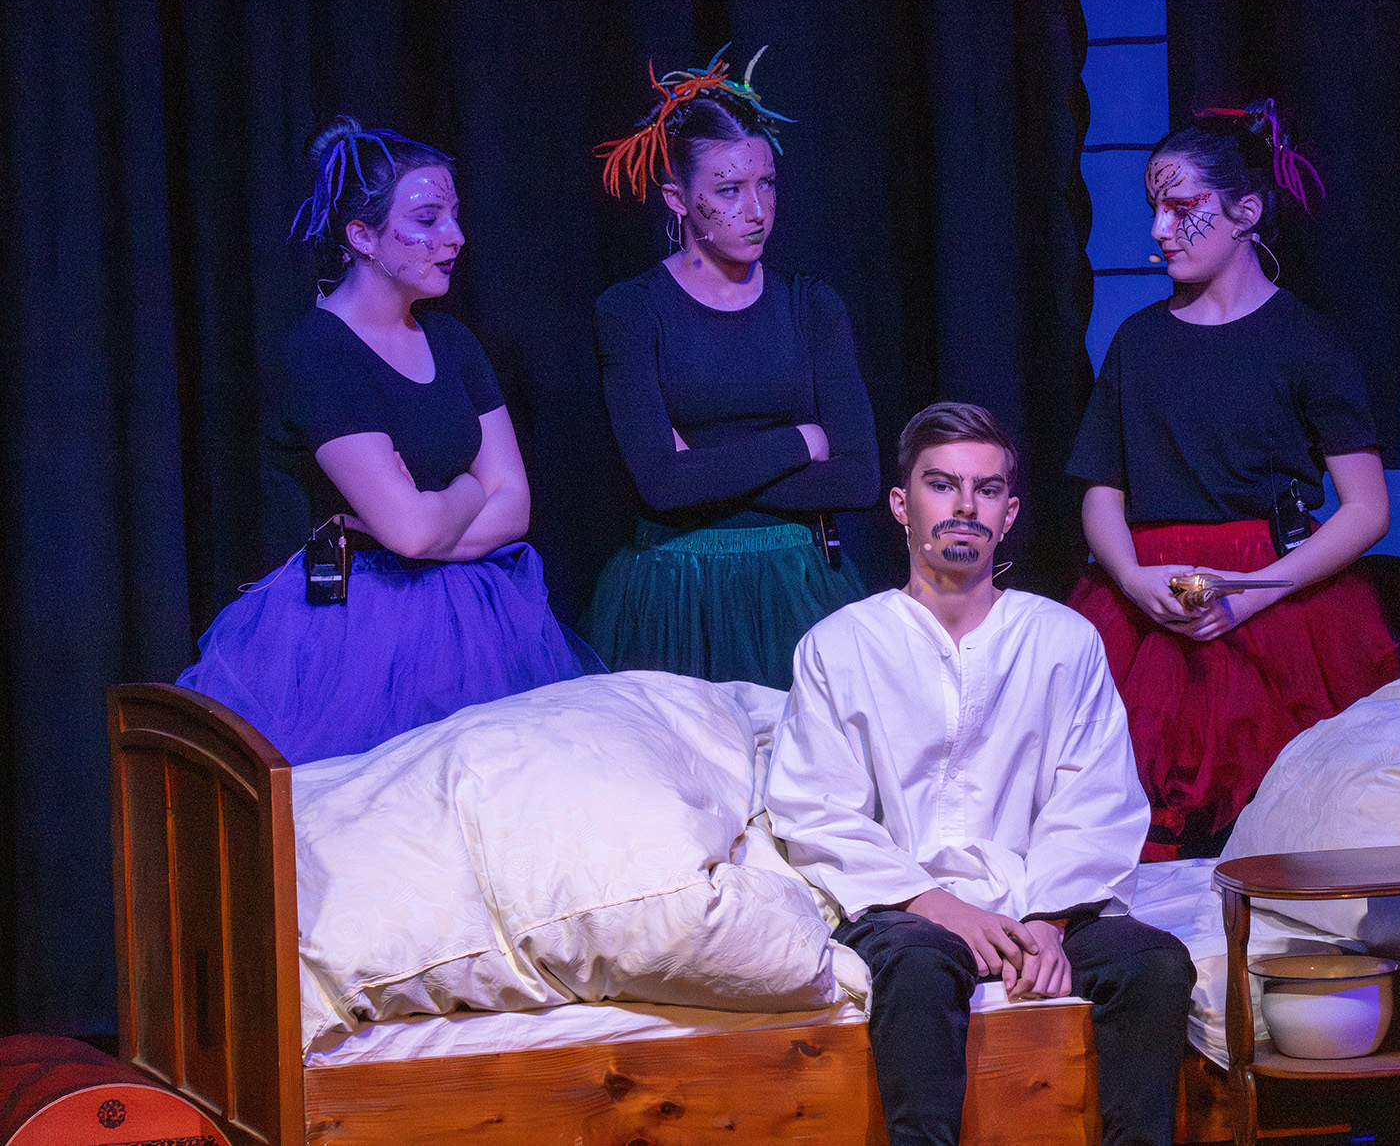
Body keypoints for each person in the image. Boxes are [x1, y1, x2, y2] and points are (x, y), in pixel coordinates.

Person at [767, 403, 1194, 1146]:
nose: (965, 506)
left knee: (1153, 962)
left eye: (986, 489)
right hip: (905, 903)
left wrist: (1048, 921)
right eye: (942, 485)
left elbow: (1094, 794)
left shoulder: (1063, 640)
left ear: (1009, 513)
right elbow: (816, 808)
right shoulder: (841, 645)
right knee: (919, 967)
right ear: (902, 506)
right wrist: (937, 904)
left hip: (1042, 898)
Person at [178, 116, 599, 765]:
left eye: (454, 216)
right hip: (359, 623)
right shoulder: (321, 352)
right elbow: (408, 533)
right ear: (362, 236)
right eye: (427, 219)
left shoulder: (453, 342)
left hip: (478, 615)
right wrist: (468, 487)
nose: (454, 237)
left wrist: (433, 513)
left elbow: (514, 505)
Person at [1067, 100, 1400, 861]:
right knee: (1133, 813)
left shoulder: (1306, 341)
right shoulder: (1139, 341)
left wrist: (1255, 592)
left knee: (1284, 820)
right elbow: (1101, 489)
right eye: (1153, 209)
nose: (1159, 229)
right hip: (1151, 594)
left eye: (1181, 208)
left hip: (1273, 598)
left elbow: (1367, 508)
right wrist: (1131, 576)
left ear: (1245, 212)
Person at [581, 47, 880, 688]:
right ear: (677, 199)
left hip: (798, 582)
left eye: (765, 183)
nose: (756, 208)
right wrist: (800, 442)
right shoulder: (631, 311)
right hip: (673, 591)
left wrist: (703, 472)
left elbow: (859, 479)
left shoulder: (811, 305)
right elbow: (660, 485)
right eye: (728, 189)